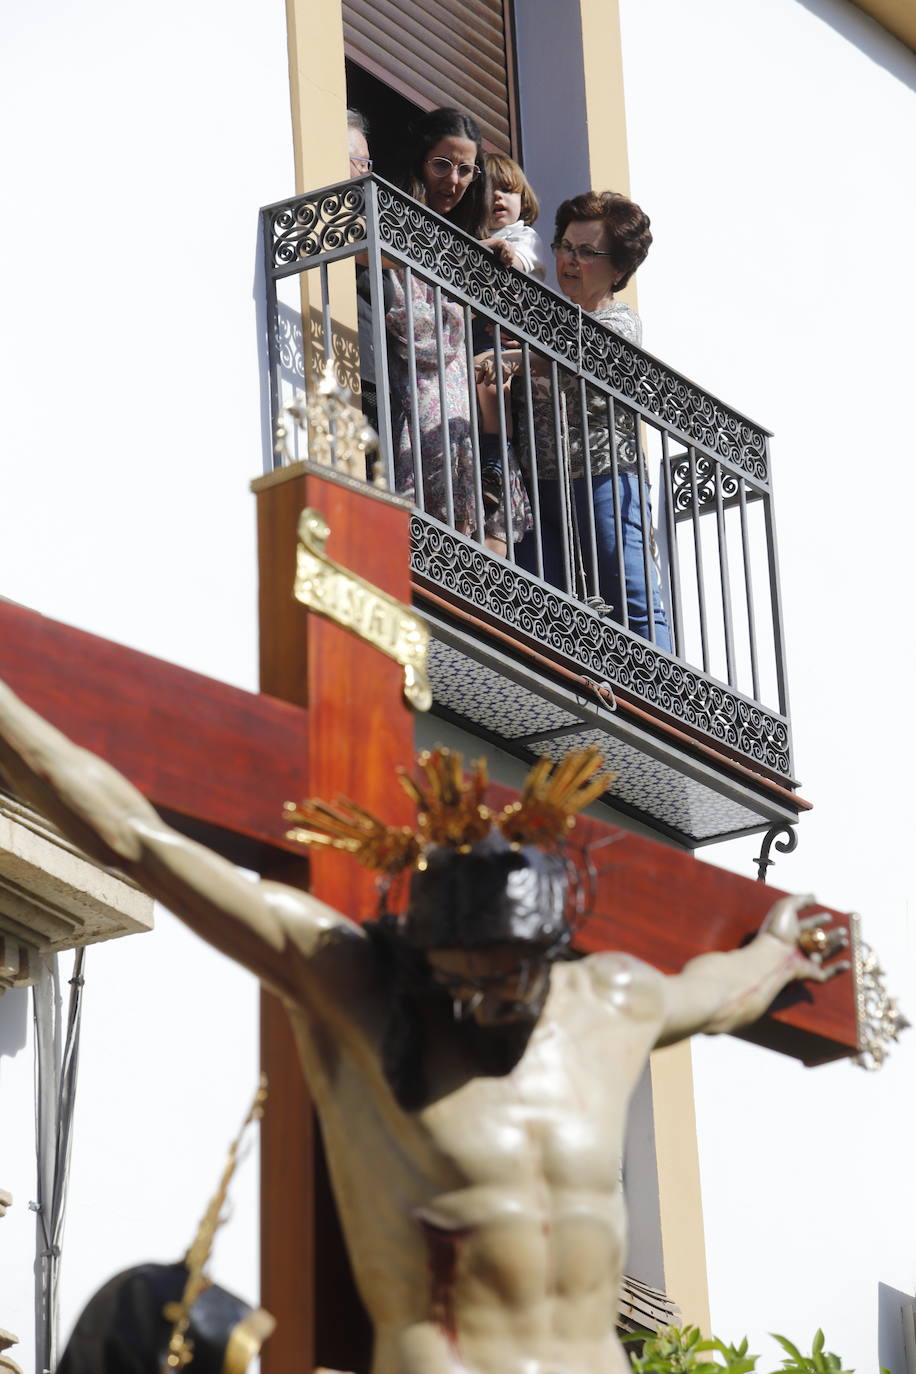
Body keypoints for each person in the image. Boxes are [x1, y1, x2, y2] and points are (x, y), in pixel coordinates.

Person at [0, 683, 848, 1374]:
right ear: (429, 950)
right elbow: (134, 838)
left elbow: (726, 989)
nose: (493, 997)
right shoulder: (354, 988)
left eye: (514, 971)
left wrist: (784, 952)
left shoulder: (611, 1005)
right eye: (467, 972)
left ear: (551, 944)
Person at [514, 191, 672, 650]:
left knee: (630, 592)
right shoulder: (547, 317)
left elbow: (569, 357)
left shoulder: (620, 321)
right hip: (542, 480)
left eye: (586, 251)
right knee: (547, 595)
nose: (569, 259)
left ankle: (659, 704)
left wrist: (509, 359)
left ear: (618, 269)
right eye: (565, 246)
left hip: (605, 475)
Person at [387, 107, 530, 556]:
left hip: (456, 384)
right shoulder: (394, 215)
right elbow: (415, 326)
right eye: (442, 165)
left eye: (465, 170)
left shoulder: (469, 234)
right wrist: (463, 256)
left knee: (476, 482)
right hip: (409, 377)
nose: (453, 180)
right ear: (420, 160)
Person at [481, 151, 547, 281]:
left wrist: (504, 251)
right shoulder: (474, 233)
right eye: (488, 191)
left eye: (506, 190)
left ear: (522, 201)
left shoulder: (526, 236)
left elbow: (513, 263)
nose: (497, 195)